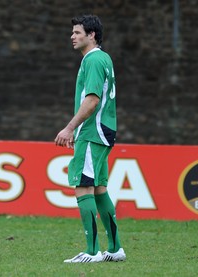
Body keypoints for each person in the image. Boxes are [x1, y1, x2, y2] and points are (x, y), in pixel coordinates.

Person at [54, 15, 126, 263]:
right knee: (98, 188)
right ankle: (115, 249)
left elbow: (92, 99)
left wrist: (70, 128)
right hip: (105, 129)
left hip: (93, 130)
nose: (72, 36)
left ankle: (93, 251)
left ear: (92, 34)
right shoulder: (104, 58)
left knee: (83, 186)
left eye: (77, 32)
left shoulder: (93, 60)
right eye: (72, 32)